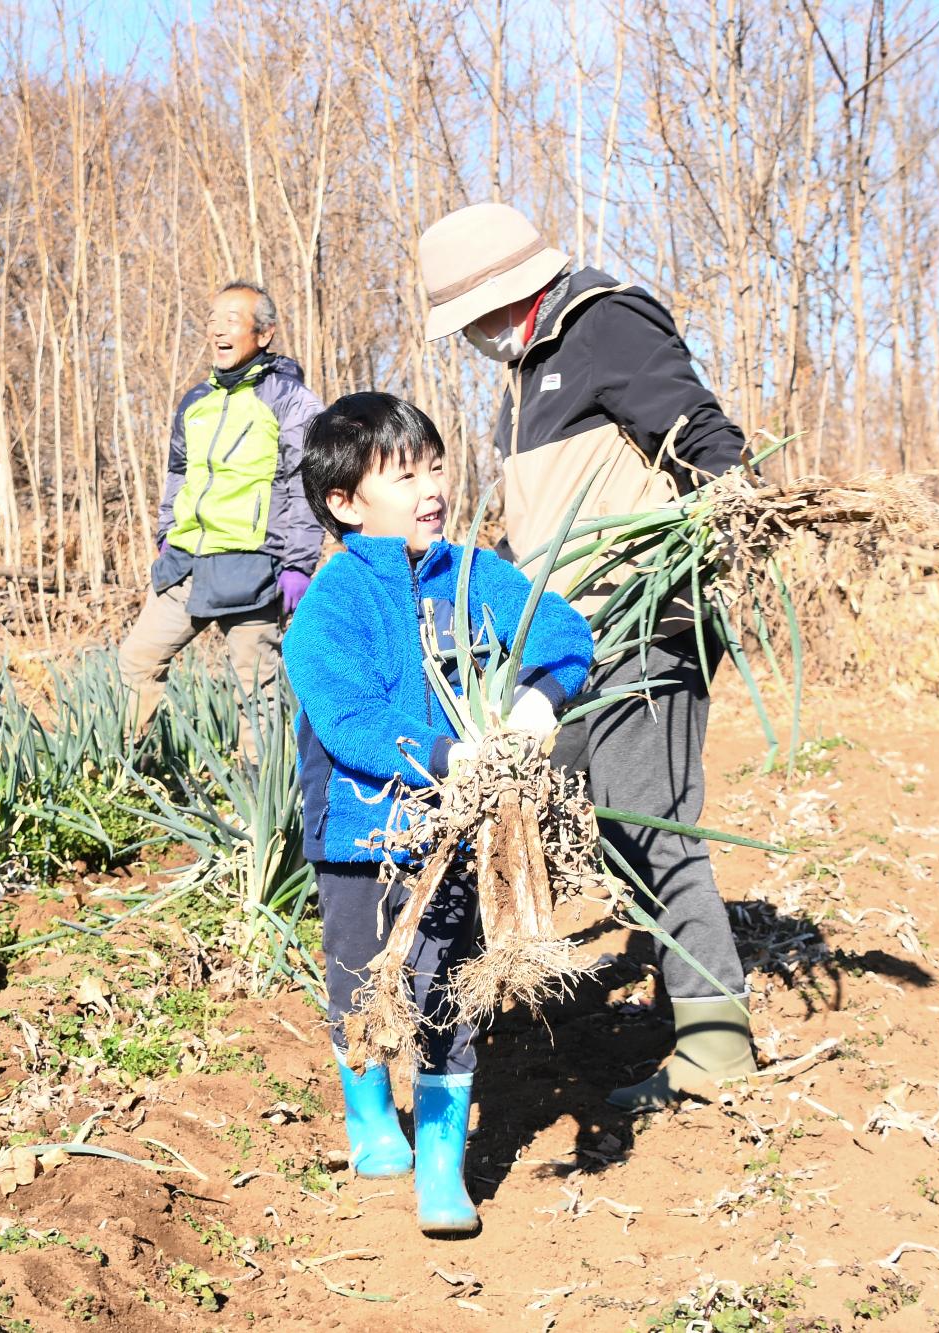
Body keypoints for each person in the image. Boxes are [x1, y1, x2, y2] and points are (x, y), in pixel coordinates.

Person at [418, 201, 757, 1110]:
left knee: (657, 826)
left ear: (509, 293)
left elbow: (704, 437)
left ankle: (717, 1051)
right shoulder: (525, 374)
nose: (474, 338)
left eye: (474, 317)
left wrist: (731, 509)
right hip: (571, 641)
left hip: (646, 622)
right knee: (597, 820)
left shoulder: (605, 321)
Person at [284, 393, 592, 1237]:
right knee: (358, 976)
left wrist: (538, 699)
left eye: (435, 465)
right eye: (404, 473)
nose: (431, 487)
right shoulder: (329, 605)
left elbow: (565, 632)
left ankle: (442, 1164)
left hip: (460, 831)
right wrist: (449, 754)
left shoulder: (468, 572)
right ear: (345, 502)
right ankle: (371, 1112)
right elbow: (348, 722)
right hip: (358, 833)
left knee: (451, 983)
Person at [118, 281, 325, 746]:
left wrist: (297, 564)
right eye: (212, 319)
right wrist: (166, 531)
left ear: (264, 334)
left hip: (255, 566)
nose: (217, 329)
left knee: (256, 694)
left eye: (231, 319)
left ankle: (261, 803)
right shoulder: (196, 401)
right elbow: (177, 470)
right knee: (137, 660)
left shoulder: (291, 401)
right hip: (188, 561)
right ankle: (133, 770)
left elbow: (306, 483)